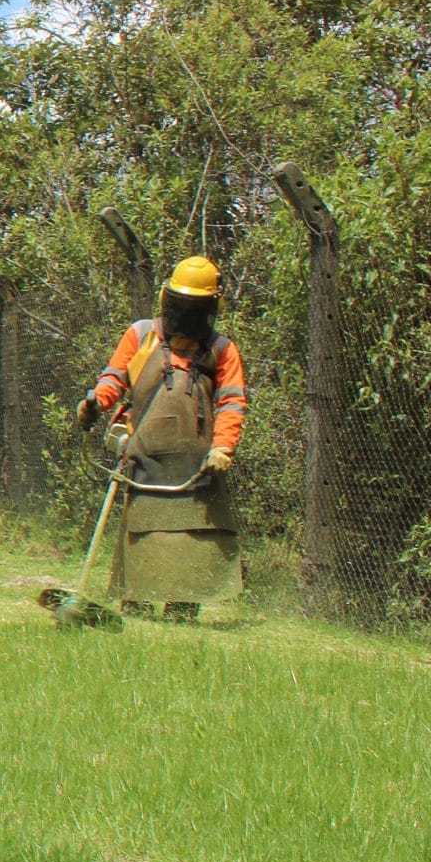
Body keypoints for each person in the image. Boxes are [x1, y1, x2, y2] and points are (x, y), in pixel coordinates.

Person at [75, 254, 248, 623]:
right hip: (145, 458)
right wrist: (95, 403)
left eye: (193, 306)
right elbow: (115, 378)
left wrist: (223, 446)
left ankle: (182, 611)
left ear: (209, 308)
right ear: (167, 300)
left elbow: (232, 401)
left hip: (198, 464)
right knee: (142, 532)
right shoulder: (142, 335)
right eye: (180, 304)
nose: (185, 313)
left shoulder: (220, 349)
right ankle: (135, 607)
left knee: (193, 537)